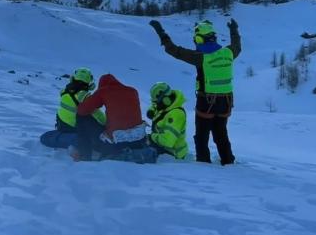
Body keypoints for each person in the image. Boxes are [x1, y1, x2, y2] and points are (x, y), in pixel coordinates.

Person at [149, 17, 241, 165]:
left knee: (201, 136)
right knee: (221, 133)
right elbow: (237, 46)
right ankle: (228, 161)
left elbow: (174, 50)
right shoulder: (228, 53)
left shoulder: (200, 57)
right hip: (226, 102)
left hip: (207, 102)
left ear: (199, 39)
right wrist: (234, 30)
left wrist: (161, 33)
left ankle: (203, 163)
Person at [74, 74, 154, 162]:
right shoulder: (132, 91)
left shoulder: (103, 91)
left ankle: (84, 155)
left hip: (117, 144)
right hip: (139, 140)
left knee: (81, 117)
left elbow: (82, 110)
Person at [40, 68, 106, 149]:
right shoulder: (84, 96)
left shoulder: (64, 91)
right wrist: (107, 124)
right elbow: (98, 115)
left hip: (62, 125)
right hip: (75, 127)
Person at [146, 82, 188, 159]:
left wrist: (151, 137)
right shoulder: (167, 105)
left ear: (165, 99)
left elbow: (167, 141)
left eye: (157, 102)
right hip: (163, 146)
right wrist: (151, 110)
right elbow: (155, 105)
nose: (156, 105)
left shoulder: (175, 114)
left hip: (173, 154)